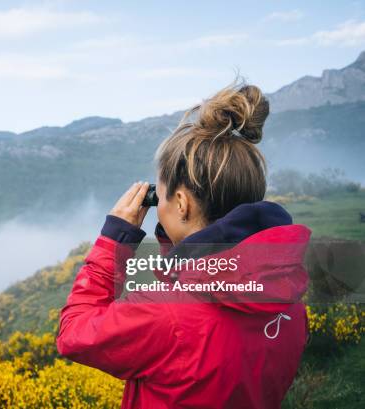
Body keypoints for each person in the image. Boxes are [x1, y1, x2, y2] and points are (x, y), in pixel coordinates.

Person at [56, 82, 311, 409]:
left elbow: (73, 335)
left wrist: (113, 241)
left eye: (160, 196)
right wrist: (178, 249)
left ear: (182, 203)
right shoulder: (288, 295)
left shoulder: (163, 314)